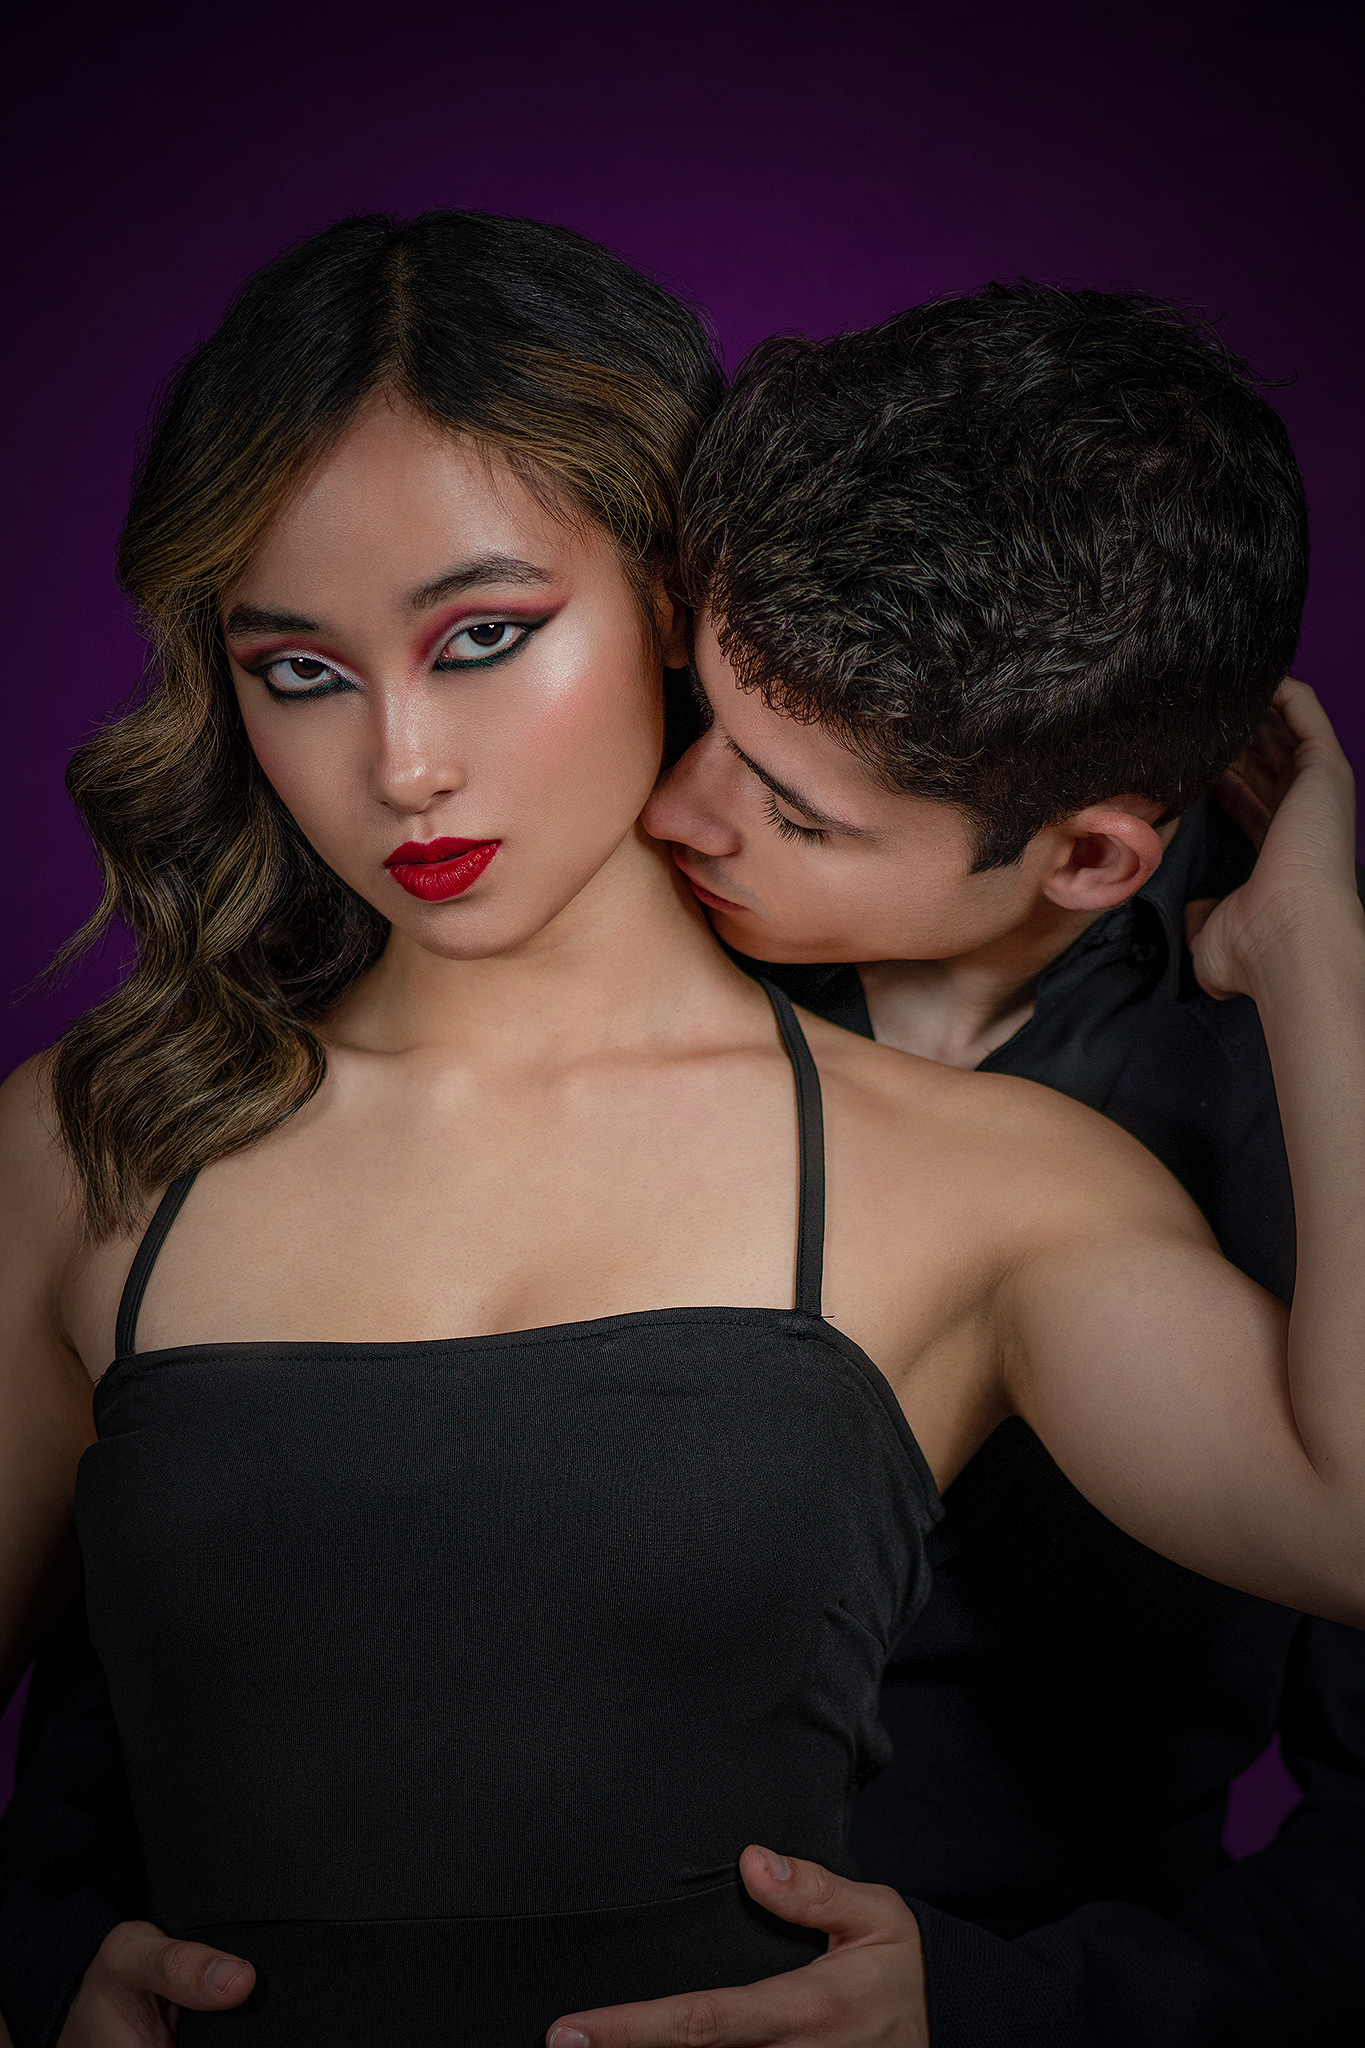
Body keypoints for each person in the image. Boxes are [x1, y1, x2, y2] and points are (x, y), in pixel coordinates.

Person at [1, 224, 1363, 2048]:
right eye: (299, 670)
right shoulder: (96, 1142)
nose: (401, 765)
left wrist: (1314, 948)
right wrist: (26, 1960)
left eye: (485, 638)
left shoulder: (1004, 1172)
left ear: (666, 600)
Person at [555, 292, 1365, 2048]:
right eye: (698, 712)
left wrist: (1014, 2010)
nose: (674, 812)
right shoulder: (578, 917)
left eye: (795, 810)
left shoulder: (1313, 1113)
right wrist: (64, 1922)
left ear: (1088, 859)